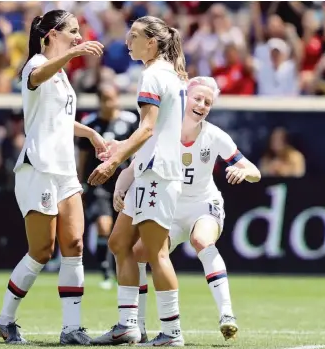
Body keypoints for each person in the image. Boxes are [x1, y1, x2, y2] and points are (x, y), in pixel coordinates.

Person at [112, 76, 261, 342]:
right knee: (139, 254)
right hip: (169, 208)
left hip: (202, 205)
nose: (202, 105)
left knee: (201, 239)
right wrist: (120, 189)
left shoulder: (214, 135)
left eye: (208, 102)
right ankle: (139, 328)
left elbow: (254, 171)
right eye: (198, 98)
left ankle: (227, 314)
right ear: (184, 99)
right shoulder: (159, 132)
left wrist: (243, 173)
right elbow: (134, 168)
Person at [0, 9, 106, 345]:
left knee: (74, 245)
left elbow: (58, 119)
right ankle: (5, 320)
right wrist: (72, 53)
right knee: (41, 251)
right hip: (38, 168)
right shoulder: (36, 64)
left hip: (64, 170)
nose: (78, 36)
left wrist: (91, 134)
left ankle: (71, 329)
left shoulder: (63, 76)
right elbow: (37, 75)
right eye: (72, 31)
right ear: (52, 34)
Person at [87, 16, 188, 346]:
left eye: (134, 37)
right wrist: (128, 170)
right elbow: (152, 133)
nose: (127, 42)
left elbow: (146, 129)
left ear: (152, 43)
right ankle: (128, 325)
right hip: (149, 171)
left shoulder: (153, 75)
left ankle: (172, 331)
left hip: (158, 175)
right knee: (118, 244)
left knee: (156, 253)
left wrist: (116, 161)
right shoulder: (168, 74)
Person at [78, 83, 138, 290]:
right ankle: (106, 271)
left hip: (125, 182)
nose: (109, 103)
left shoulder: (130, 121)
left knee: (126, 231)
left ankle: (127, 270)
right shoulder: (90, 124)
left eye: (112, 98)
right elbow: (83, 157)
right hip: (99, 183)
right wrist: (81, 184)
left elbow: (139, 150)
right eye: (104, 99)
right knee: (104, 226)